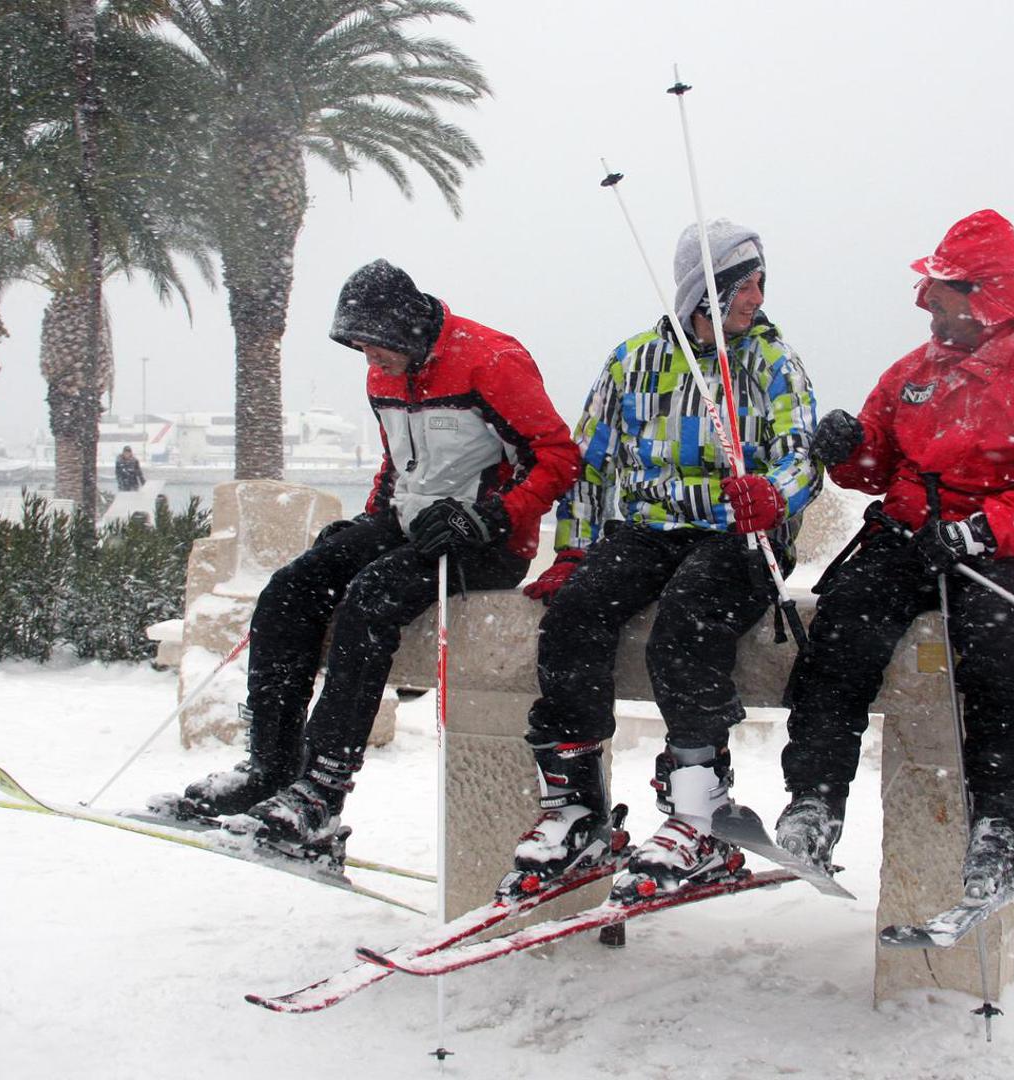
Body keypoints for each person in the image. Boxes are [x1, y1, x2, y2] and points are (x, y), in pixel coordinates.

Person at [156, 260, 579, 862]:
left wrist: (491, 516)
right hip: (405, 526)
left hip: (484, 542)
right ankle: (270, 769)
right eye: (359, 349)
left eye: (376, 348)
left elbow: (559, 458)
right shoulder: (384, 376)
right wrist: (367, 518)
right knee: (289, 589)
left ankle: (321, 792)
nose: (369, 362)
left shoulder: (492, 361)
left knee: (371, 598)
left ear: (407, 331)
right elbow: (398, 462)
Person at [776, 209, 1014, 902]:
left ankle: (1002, 820)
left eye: (941, 292)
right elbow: (874, 464)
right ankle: (814, 800)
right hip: (908, 537)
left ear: (984, 294)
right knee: (840, 631)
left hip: (1005, 547)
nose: (927, 304)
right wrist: (847, 446)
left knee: (995, 645)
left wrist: (982, 529)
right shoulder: (912, 373)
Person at [507, 220, 821, 901]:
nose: (755, 298)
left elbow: (803, 456)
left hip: (739, 534)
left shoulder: (771, 364)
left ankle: (699, 813)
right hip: (648, 530)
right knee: (574, 616)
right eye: (742, 284)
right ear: (699, 293)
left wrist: (773, 495)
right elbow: (590, 464)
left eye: (760, 283)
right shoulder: (633, 362)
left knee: (688, 621)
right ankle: (576, 805)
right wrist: (573, 550)